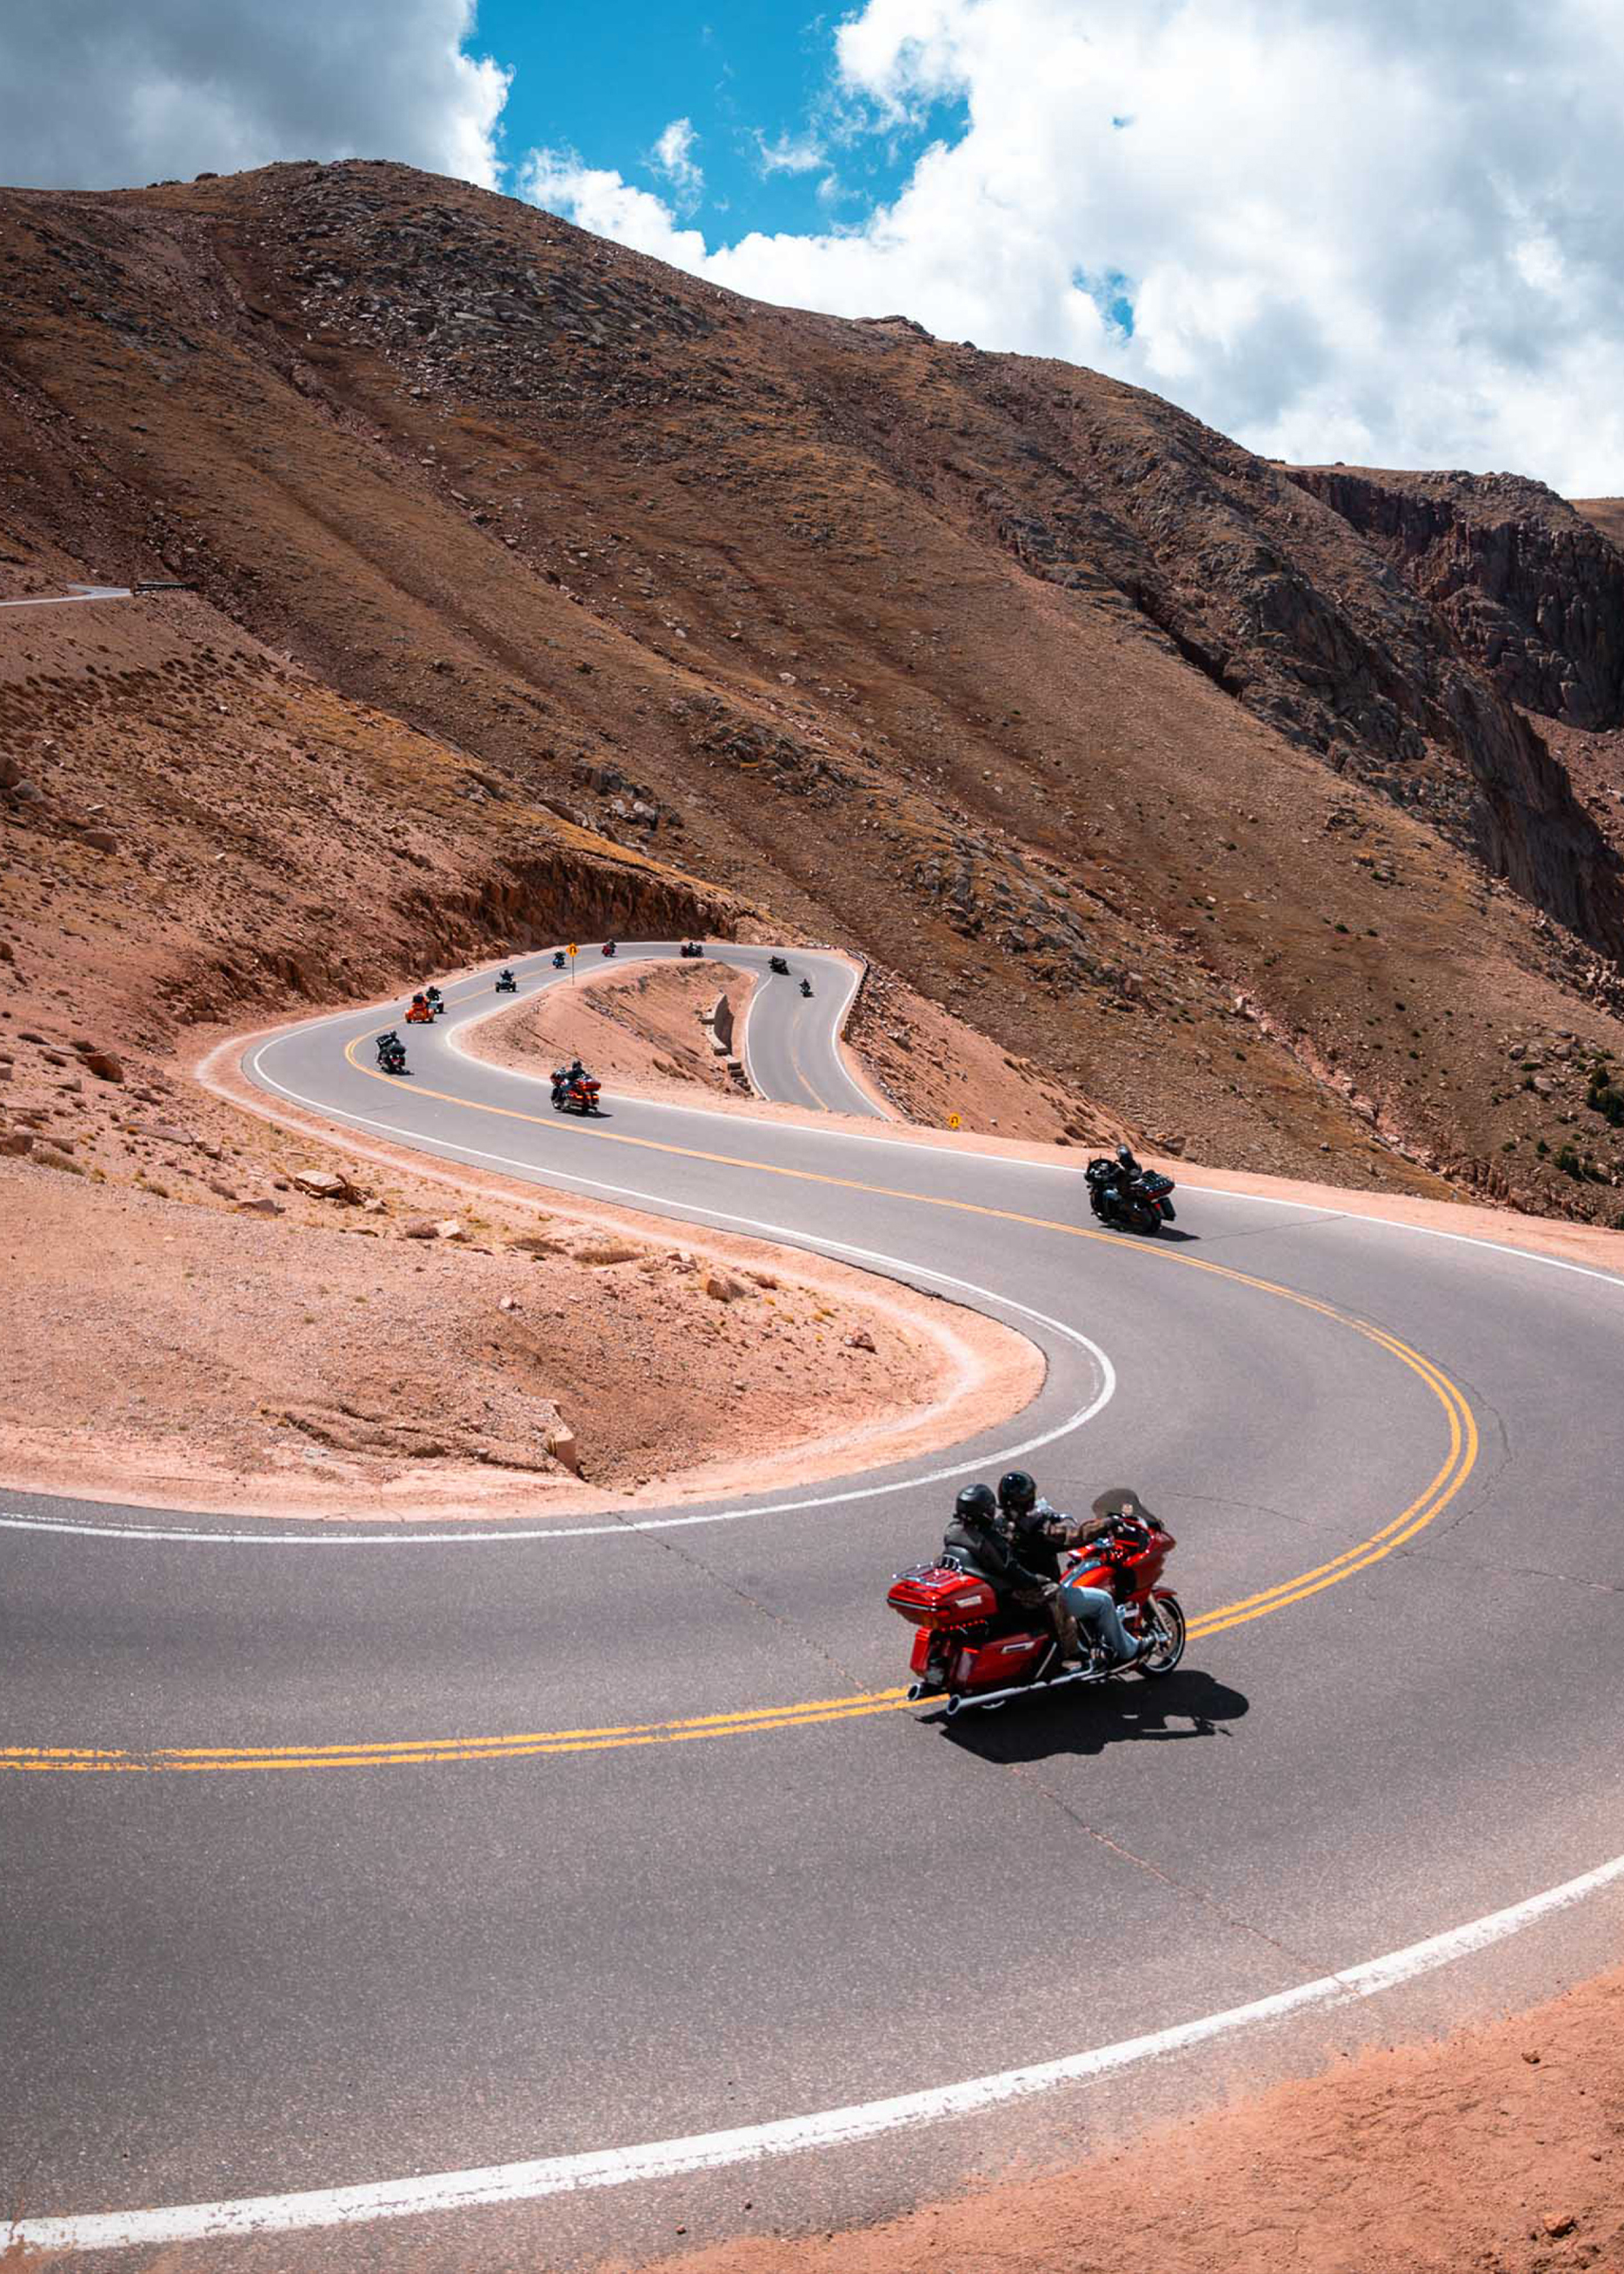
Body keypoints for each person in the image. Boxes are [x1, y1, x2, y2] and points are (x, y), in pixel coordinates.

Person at [941, 1484, 1050, 1617]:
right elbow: (1011, 1569)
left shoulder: (952, 1530)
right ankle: (1065, 1637)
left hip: (977, 1583)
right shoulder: (988, 1538)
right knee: (1053, 1590)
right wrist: (1034, 1580)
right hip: (1001, 1593)